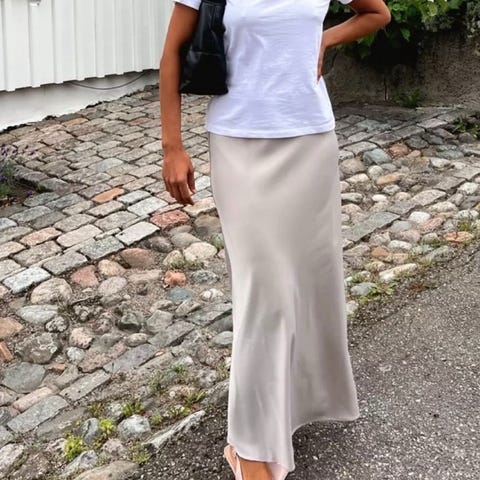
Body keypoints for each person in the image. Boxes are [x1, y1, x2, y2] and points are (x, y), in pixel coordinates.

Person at [159, 0, 391, 479]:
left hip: (310, 142)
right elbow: (172, 53)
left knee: (309, 285)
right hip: (238, 145)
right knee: (266, 296)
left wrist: (324, 38)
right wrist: (172, 146)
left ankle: (284, 415)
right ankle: (249, 446)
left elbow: (376, 13)